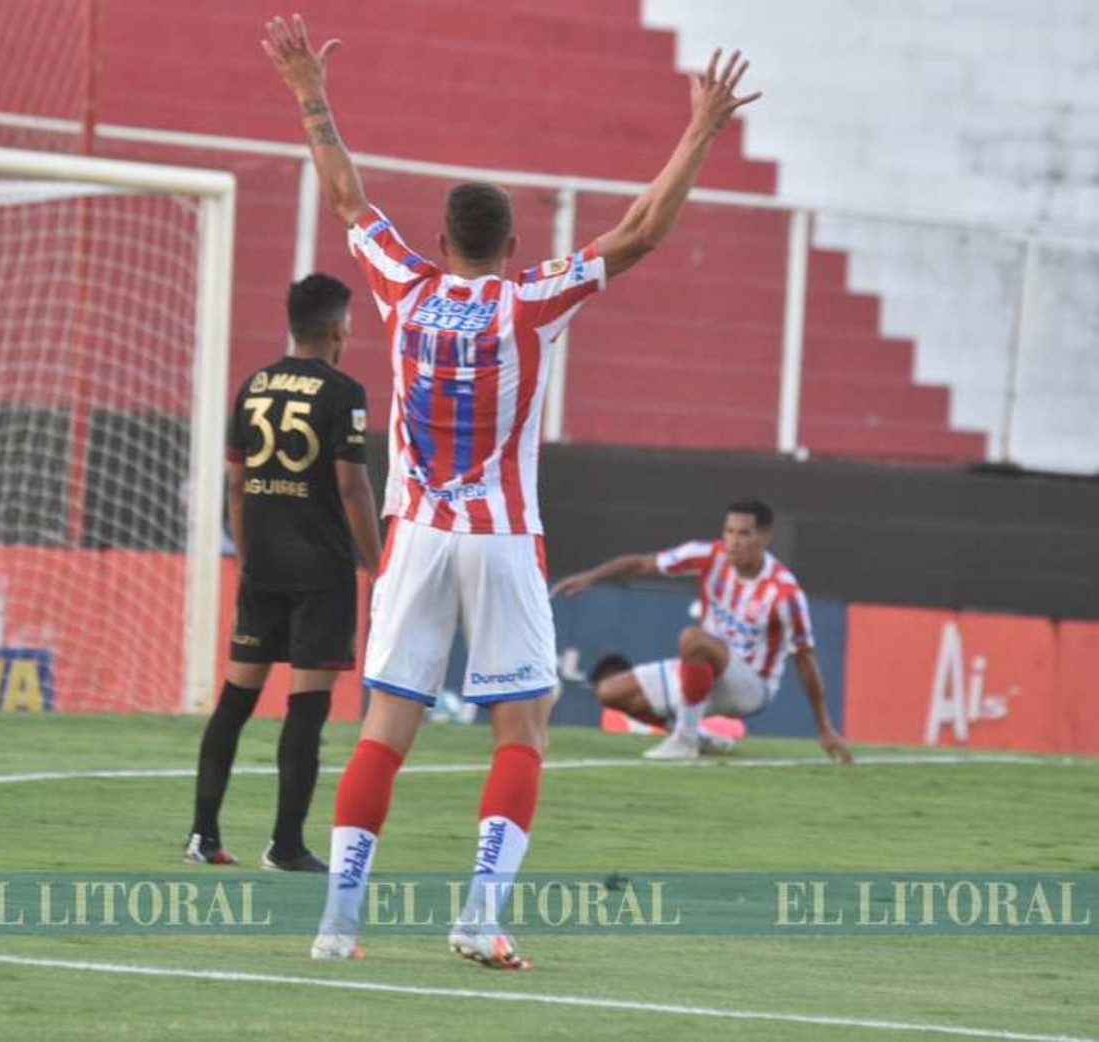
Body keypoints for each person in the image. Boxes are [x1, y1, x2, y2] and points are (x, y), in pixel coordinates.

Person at [260, 14, 763, 967]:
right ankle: (477, 916)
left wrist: (308, 95)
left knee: (383, 733)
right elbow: (643, 232)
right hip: (500, 538)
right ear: (511, 240)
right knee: (521, 733)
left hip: (416, 537)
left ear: (442, 238)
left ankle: (337, 923)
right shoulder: (530, 299)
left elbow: (344, 199)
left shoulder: (401, 286)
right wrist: (700, 129)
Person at [184, 272, 383, 873]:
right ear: (336, 328)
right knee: (307, 710)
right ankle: (286, 844)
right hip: (320, 572)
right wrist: (378, 563)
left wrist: (248, 560)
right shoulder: (344, 391)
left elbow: (237, 485)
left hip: (262, 567)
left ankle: (202, 835)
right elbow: (352, 485)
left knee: (235, 701)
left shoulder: (250, 388)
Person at [551, 498, 854, 764]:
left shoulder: (784, 593)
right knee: (610, 691)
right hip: (704, 670)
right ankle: (699, 736)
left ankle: (684, 740)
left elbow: (804, 658)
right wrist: (591, 577)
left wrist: (825, 727)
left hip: (750, 685)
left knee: (693, 640)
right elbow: (643, 564)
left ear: (763, 538)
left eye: (744, 533)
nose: (733, 541)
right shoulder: (709, 556)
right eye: (729, 531)